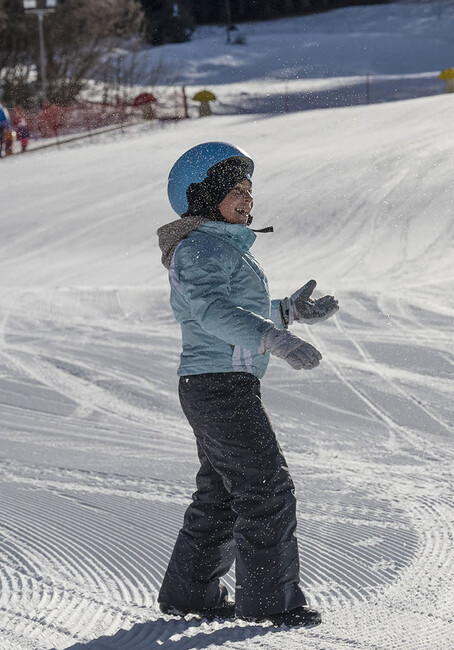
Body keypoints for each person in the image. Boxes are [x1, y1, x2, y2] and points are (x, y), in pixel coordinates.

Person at [155, 142, 338, 627]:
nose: (247, 199)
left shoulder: (218, 244)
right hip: (218, 384)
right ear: (204, 196)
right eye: (235, 190)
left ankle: (190, 594)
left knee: (221, 492)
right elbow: (211, 312)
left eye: (249, 190)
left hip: (220, 382)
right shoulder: (200, 247)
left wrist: (290, 312)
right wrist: (273, 338)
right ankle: (270, 603)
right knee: (264, 488)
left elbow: (235, 308)